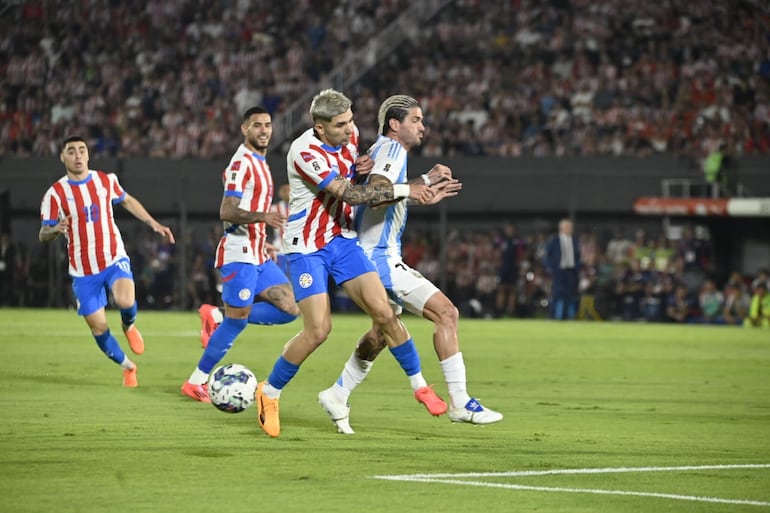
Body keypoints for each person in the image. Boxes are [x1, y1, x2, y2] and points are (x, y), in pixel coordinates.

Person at [255, 89, 440, 438]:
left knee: (384, 313)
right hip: (307, 248)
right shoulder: (304, 151)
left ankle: (420, 387)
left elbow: (356, 176)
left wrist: (361, 166)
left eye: (351, 120)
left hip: (341, 240)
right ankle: (269, 392)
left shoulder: (350, 135)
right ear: (321, 128)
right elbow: (352, 195)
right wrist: (406, 190)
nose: (350, 128)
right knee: (318, 331)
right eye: (340, 125)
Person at [317, 94, 502, 435]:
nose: (423, 127)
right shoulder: (391, 150)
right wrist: (417, 186)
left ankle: (337, 393)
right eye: (415, 120)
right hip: (379, 258)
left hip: (368, 255)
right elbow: (378, 193)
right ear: (395, 124)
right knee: (447, 313)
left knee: (382, 332)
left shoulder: (381, 152)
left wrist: (424, 184)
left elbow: (387, 193)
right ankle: (460, 403)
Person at [182, 106, 299, 402]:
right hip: (239, 253)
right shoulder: (241, 163)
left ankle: (217, 316)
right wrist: (264, 218)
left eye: (268, 124)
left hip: (258, 251)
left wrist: (263, 239)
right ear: (244, 129)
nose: (264, 130)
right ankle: (196, 381)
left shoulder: (259, 161)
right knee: (238, 321)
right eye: (257, 125)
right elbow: (227, 210)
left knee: (290, 308)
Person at [39, 135, 175, 387]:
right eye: (71, 151)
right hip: (83, 271)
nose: (78, 155)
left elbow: (127, 200)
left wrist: (153, 223)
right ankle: (128, 367)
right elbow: (43, 234)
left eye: (82, 150)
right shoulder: (55, 194)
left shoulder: (105, 180)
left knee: (126, 300)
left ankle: (129, 325)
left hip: (113, 258)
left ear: (88, 155)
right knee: (98, 327)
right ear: (62, 157)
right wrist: (55, 229)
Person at [543, 218, 581, 320]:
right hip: (559, 270)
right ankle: (554, 315)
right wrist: (550, 268)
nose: (569, 229)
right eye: (567, 227)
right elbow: (547, 256)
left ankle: (567, 316)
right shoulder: (554, 240)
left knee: (569, 294)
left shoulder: (574, 240)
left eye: (570, 227)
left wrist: (577, 267)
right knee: (557, 294)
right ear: (561, 228)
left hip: (571, 271)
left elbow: (577, 256)